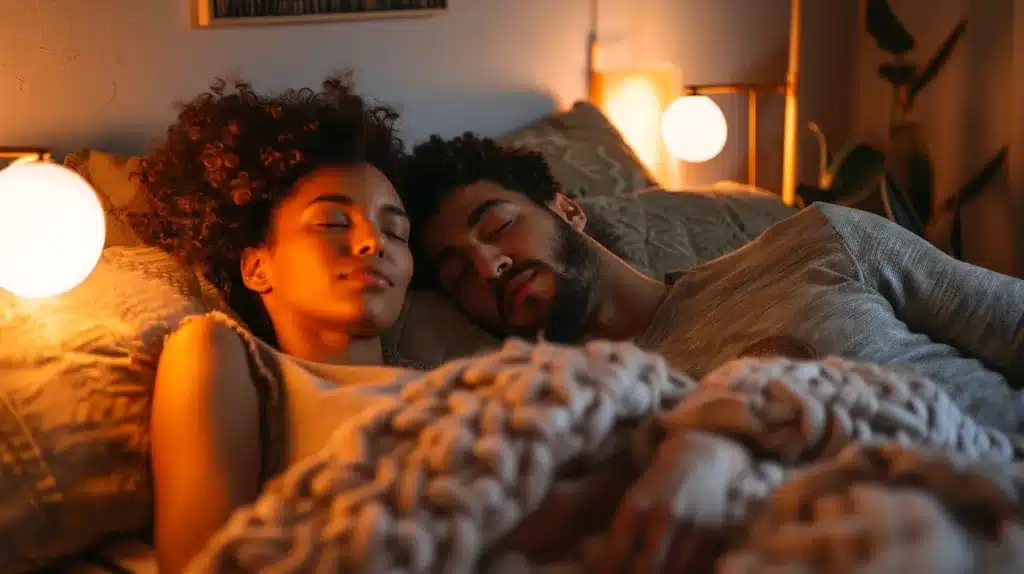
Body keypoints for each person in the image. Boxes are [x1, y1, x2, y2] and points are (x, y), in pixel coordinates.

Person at [398, 133, 1024, 433]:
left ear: (566, 210)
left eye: (500, 226)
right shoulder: (574, 416)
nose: (489, 266)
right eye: (458, 275)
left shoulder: (818, 240)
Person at [131, 75, 417, 573]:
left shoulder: (445, 379)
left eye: (396, 230)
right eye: (332, 222)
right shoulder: (222, 352)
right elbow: (209, 562)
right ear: (256, 267)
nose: (375, 243)